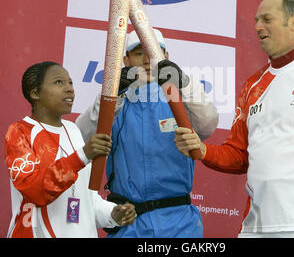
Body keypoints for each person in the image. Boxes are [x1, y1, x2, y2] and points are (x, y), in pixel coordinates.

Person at [174, 0, 294, 238]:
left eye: (267, 19)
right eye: (256, 21)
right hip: (256, 227)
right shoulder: (252, 85)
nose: (258, 26)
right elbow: (239, 155)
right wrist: (202, 149)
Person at [76, 28, 219, 238]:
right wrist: (111, 93)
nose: (147, 60)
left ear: (166, 57)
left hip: (179, 223)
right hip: (129, 222)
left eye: (154, 53)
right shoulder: (114, 103)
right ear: (126, 60)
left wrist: (184, 81)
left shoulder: (180, 99)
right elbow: (81, 137)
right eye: (139, 53)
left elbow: (207, 125)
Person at [4, 61, 136, 238]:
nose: (69, 89)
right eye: (59, 82)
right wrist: (83, 155)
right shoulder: (21, 132)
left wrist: (112, 214)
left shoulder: (72, 130)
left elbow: (84, 199)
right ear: (35, 93)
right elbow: (34, 191)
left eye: (70, 83)